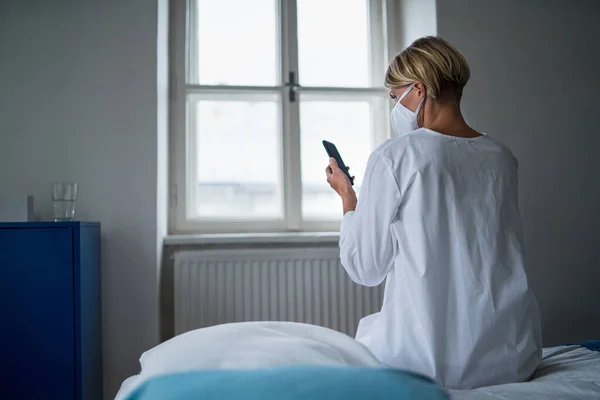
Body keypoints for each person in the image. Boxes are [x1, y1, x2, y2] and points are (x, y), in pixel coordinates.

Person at [325, 36, 542, 390]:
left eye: (396, 97)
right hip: (511, 356)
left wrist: (349, 201)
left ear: (419, 90)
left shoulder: (394, 156)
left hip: (428, 361)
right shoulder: (502, 157)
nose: (395, 106)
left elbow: (365, 267)